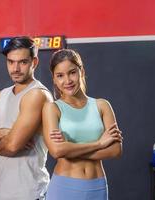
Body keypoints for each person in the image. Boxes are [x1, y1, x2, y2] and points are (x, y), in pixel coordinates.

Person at [0, 36, 52, 200]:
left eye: (22, 62)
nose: (15, 68)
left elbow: (11, 147)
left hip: (31, 194)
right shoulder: (2, 95)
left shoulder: (37, 95)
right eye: (11, 62)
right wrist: (3, 132)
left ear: (34, 62)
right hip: (5, 193)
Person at [42, 49, 123, 200]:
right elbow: (57, 151)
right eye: (60, 76)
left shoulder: (102, 105)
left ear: (81, 71)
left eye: (72, 72)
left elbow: (115, 150)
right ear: (53, 79)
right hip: (64, 187)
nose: (67, 80)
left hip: (97, 187)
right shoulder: (52, 109)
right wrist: (99, 143)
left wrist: (70, 149)